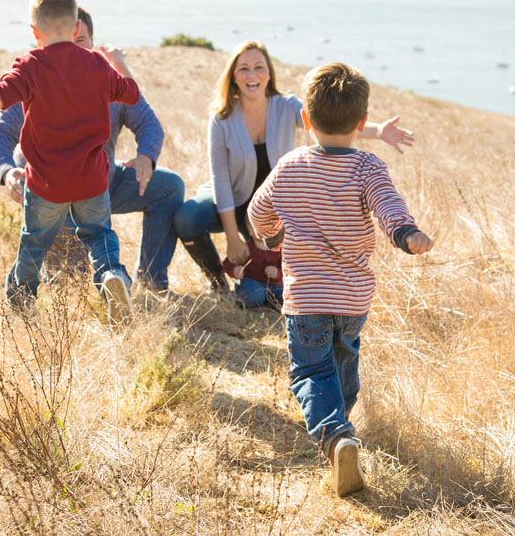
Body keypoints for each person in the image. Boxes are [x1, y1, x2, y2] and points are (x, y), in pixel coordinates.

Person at [247, 62, 434, 497]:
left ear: (306, 120)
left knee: (311, 372)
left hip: (306, 297)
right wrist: (406, 234)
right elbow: (389, 206)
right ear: (363, 122)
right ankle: (342, 430)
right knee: (344, 360)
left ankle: (335, 436)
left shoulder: (290, 164)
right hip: (352, 298)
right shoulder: (368, 168)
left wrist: (272, 233)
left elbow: (258, 210)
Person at [0, 0, 138, 319]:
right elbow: (131, 93)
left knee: (34, 242)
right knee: (99, 235)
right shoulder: (96, 65)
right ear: (77, 27)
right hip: (92, 179)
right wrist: (118, 62)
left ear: (35, 32)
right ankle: (111, 275)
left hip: (47, 182)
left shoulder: (32, 65)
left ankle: (22, 304)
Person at [172, 41, 415, 297]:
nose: (252, 74)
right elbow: (220, 179)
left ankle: (276, 287)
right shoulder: (221, 117)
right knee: (187, 218)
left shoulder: (286, 106)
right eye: (243, 68)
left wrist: (379, 131)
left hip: (277, 203)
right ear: (233, 76)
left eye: (258, 66)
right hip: (234, 199)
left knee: (284, 277)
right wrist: (232, 236)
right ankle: (218, 282)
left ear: (269, 72)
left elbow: (331, 121)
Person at [0, 7, 185, 293]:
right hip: (52, 190)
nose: (70, 53)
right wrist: (7, 172)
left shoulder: (104, 77)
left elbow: (148, 122)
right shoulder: (35, 78)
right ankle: (41, 292)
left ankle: (152, 282)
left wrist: (146, 157)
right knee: (71, 282)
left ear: (91, 41)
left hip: (101, 181)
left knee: (169, 188)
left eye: (78, 42)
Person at [221, 235, 283, 307]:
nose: (261, 232)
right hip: (252, 284)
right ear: (249, 229)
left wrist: (277, 273)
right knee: (254, 296)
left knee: (287, 295)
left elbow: (288, 268)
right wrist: (234, 270)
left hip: (274, 286)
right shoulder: (246, 248)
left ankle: (269, 301)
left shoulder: (279, 248)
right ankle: (233, 296)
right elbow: (228, 262)